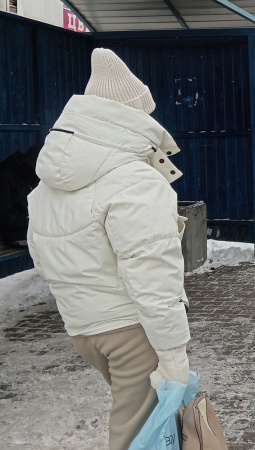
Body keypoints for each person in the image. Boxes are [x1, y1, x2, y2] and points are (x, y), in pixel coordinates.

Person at [26, 48, 191, 449]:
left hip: (83, 328)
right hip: (131, 330)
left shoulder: (48, 182)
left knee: (143, 426)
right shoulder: (134, 180)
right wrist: (172, 353)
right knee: (136, 433)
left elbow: (41, 254)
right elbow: (152, 275)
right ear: (132, 118)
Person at [0, 143, 40, 247]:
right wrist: (35, 221)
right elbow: (5, 216)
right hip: (16, 233)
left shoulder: (35, 176)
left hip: (34, 228)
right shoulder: (6, 176)